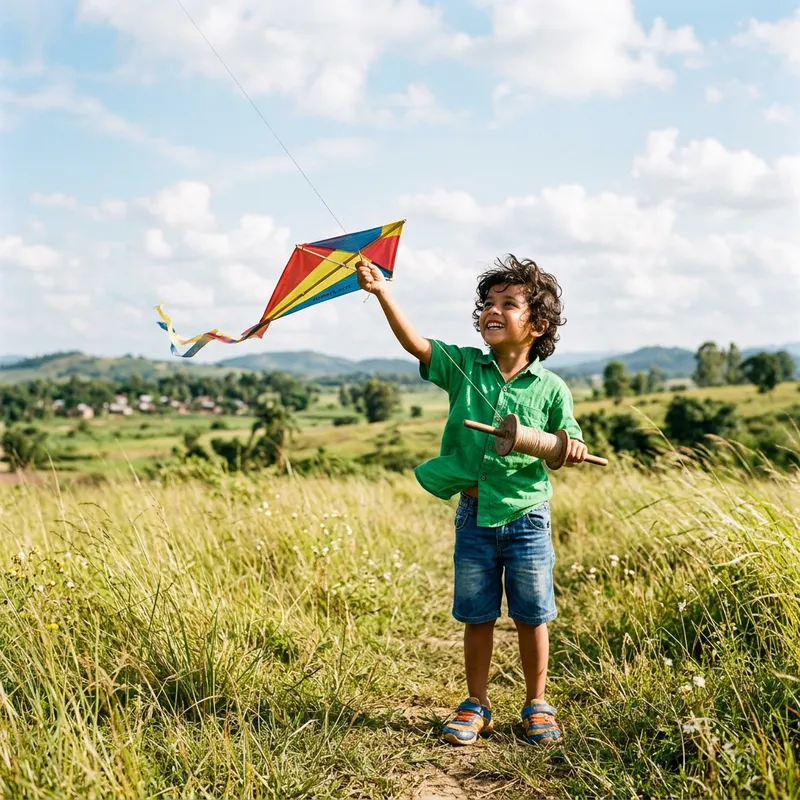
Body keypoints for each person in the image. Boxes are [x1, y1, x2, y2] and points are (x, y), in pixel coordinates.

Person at [356, 254, 587, 746]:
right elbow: (416, 344)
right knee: (477, 614)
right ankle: (476, 702)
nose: (492, 310)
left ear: (538, 324)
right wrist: (382, 293)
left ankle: (536, 703)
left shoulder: (551, 388)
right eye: (487, 303)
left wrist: (571, 446)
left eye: (508, 303)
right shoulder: (463, 366)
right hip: (474, 514)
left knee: (532, 614)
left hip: (527, 516)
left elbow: (563, 442)